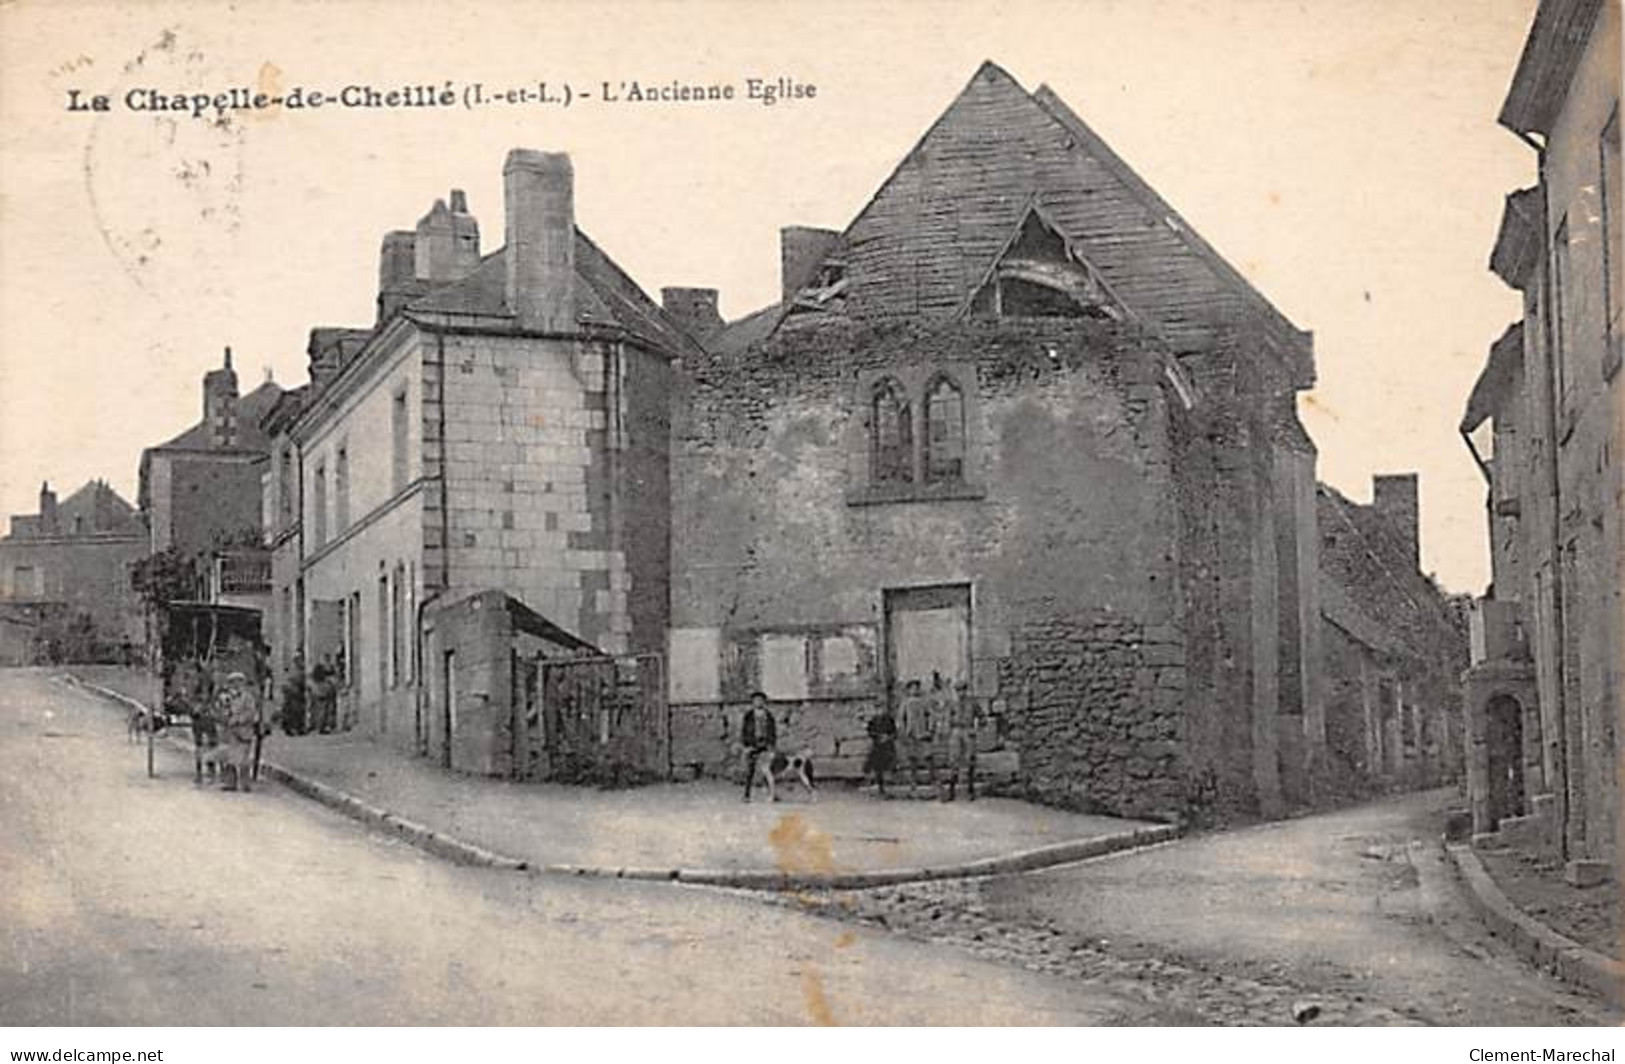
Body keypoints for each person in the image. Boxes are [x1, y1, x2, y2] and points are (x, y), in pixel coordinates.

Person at [942, 681, 977, 802]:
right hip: (956, 731)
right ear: (956, 692)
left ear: (966, 690)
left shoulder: (972, 703)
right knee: (954, 760)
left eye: (963, 690)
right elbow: (947, 718)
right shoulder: (952, 704)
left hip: (968, 730)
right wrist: (948, 730)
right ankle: (951, 792)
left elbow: (982, 717)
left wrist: (975, 728)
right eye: (958, 690)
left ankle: (970, 790)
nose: (961, 693)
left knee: (970, 759)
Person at [739, 691, 777, 802]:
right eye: (756, 700)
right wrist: (746, 745)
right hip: (753, 744)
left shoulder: (769, 716)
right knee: (750, 770)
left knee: (769, 770)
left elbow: (773, 732)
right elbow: (744, 731)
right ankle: (747, 795)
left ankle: (772, 793)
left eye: (760, 700)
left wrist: (771, 745)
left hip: (765, 745)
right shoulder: (748, 716)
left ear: (764, 702)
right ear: (752, 702)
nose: (758, 702)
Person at [898, 678, 935, 792]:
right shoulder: (905, 703)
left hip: (923, 733)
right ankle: (913, 781)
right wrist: (903, 731)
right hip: (911, 734)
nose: (914, 690)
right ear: (908, 690)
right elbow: (901, 718)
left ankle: (932, 779)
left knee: (928, 757)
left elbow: (931, 716)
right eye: (912, 688)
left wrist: (930, 729)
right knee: (912, 759)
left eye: (916, 688)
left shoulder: (924, 702)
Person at [864, 704, 899, 798]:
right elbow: (870, 732)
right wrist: (877, 737)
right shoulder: (873, 721)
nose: (880, 711)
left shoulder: (889, 720)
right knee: (877, 767)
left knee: (891, 765)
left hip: (888, 747)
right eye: (878, 709)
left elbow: (895, 733)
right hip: (878, 747)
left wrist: (888, 737)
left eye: (882, 709)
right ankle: (880, 788)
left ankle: (890, 787)